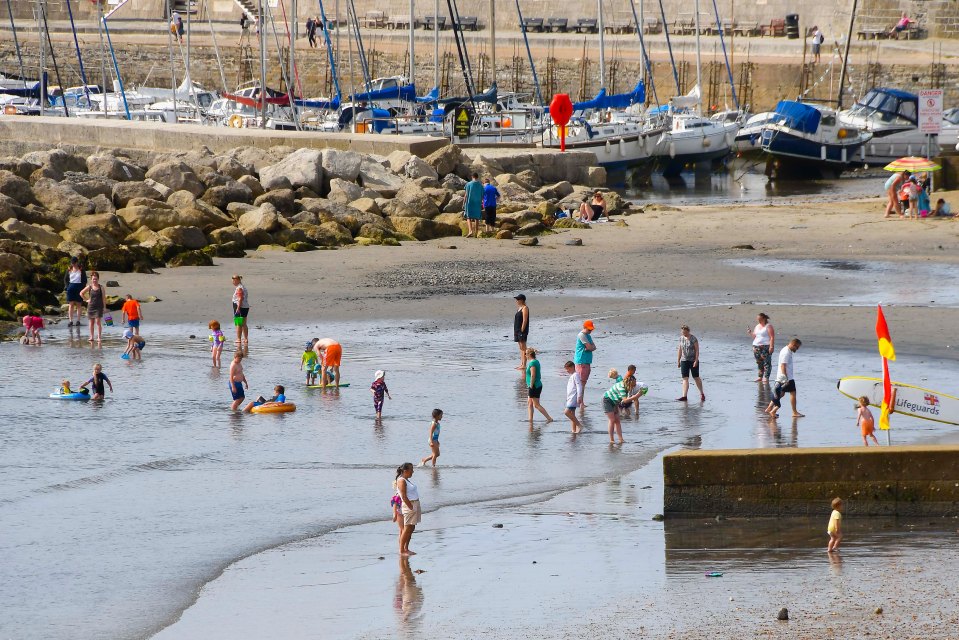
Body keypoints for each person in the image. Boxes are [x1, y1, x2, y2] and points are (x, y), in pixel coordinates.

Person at [603, 369, 647, 444]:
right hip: (607, 400)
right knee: (612, 419)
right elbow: (625, 400)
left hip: (615, 402)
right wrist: (637, 395)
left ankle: (621, 439)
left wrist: (636, 396)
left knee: (617, 420)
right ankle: (612, 440)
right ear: (629, 383)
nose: (634, 386)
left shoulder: (626, 387)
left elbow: (624, 401)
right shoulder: (622, 387)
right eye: (633, 384)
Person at [765, 338, 804, 419]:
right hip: (786, 378)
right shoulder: (786, 352)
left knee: (781, 393)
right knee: (793, 392)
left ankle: (769, 407)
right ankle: (794, 412)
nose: (797, 349)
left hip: (785, 377)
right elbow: (783, 366)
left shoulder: (787, 351)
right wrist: (786, 379)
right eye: (797, 347)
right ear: (793, 344)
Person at [395, 463, 420, 555]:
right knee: (407, 528)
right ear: (405, 471)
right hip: (410, 505)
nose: (413, 471)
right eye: (411, 469)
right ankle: (401, 550)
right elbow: (403, 496)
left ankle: (406, 548)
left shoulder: (407, 480)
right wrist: (411, 507)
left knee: (412, 527)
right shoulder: (401, 480)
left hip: (414, 504)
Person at [676, 325, 705, 402]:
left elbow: (697, 350)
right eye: (682, 332)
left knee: (696, 377)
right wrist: (678, 361)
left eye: (685, 332)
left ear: (688, 331)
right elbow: (680, 350)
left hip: (693, 360)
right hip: (684, 360)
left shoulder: (693, 339)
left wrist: (696, 360)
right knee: (685, 378)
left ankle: (702, 393)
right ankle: (684, 396)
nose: (684, 334)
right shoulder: (681, 338)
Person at [525, 348, 553, 424]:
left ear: (529, 355)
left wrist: (531, 386)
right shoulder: (535, 361)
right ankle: (530, 420)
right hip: (534, 385)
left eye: (526, 354)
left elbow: (533, 375)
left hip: (534, 386)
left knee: (536, 405)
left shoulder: (533, 363)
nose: (525, 355)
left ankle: (549, 418)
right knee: (529, 403)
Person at [574, 320, 597, 408]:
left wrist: (590, 348)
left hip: (586, 361)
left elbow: (594, 347)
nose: (591, 331)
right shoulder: (582, 335)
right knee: (580, 383)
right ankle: (580, 403)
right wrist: (590, 348)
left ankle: (580, 402)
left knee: (583, 383)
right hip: (581, 361)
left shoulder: (587, 335)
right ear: (585, 327)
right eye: (589, 329)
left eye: (591, 329)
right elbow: (590, 347)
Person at [747, 312, 775, 382]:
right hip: (756, 346)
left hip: (765, 346)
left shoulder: (768, 326)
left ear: (764, 318)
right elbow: (755, 336)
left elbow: (772, 337)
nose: (758, 321)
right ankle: (760, 377)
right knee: (759, 362)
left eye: (760, 319)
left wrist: (771, 347)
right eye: (758, 319)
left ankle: (766, 378)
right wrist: (750, 333)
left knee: (767, 363)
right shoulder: (757, 326)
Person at [79, 270, 105, 345]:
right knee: (91, 323)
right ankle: (91, 336)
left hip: (99, 307)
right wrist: (86, 300)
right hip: (91, 307)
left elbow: (103, 298)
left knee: (98, 322)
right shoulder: (89, 287)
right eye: (93, 279)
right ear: (91, 279)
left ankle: (99, 337)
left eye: (96, 279)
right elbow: (81, 293)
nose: (94, 280)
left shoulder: (101, 287)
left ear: (98, 279)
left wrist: (104, 307)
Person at [64, 256, 86, 327]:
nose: (73, 264)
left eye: (74, 263)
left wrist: (82, 288)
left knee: (79, 305)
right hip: (70, 288)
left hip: (79, 288)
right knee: (71, 305)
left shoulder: (81, 270)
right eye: (72, 263)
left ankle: (78, 320)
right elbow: (65, 279)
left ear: (77, 262)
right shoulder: (69, 270)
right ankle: (70, 321)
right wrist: (67, 287)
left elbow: (84, 280)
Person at [563, 361, 584, 433]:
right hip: (570, 398)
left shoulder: (575, 375)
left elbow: (579, 386)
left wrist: (579, 396)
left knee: (566, 412)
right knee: (572, 414)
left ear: (572, 367)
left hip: (573, 398)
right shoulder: (572, 376)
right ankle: (573, 430)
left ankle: (579, 425)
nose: (567, 371)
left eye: (568, 369)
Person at [463, 173, 484, 238]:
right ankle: (476, 233)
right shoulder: (480, 185)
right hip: (477, 203)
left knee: (468, 217)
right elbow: (482, 195)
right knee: (477, 218)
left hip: (470, 202)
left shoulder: (468, 184)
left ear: (472, 177)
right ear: (477, 177)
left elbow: (466, 195)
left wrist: (463, 203)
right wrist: (482, 203)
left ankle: (470, 231)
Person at [231, 274, 250, 344]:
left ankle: (238, 339)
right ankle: (245, 339)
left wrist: (238, 308)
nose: (233, 282)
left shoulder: (239, 288)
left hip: (240, 306)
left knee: (238, 323)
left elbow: (240, 298)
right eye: (233, 280)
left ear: (238, 280)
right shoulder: (242, 287)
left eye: (234, 280)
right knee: (244, 323)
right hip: (245, 306)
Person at [513, 294, 530, 370]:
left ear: (522, 300)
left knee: (523, 347)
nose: (517, 301)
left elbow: (525, 320)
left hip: (521, 331)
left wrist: (522, 330)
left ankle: (524, 364)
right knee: (521, 348)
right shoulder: (519, 308)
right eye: (516, 299)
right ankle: (522, 363)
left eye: (518, 299)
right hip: (516, 330)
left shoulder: (525, 308)